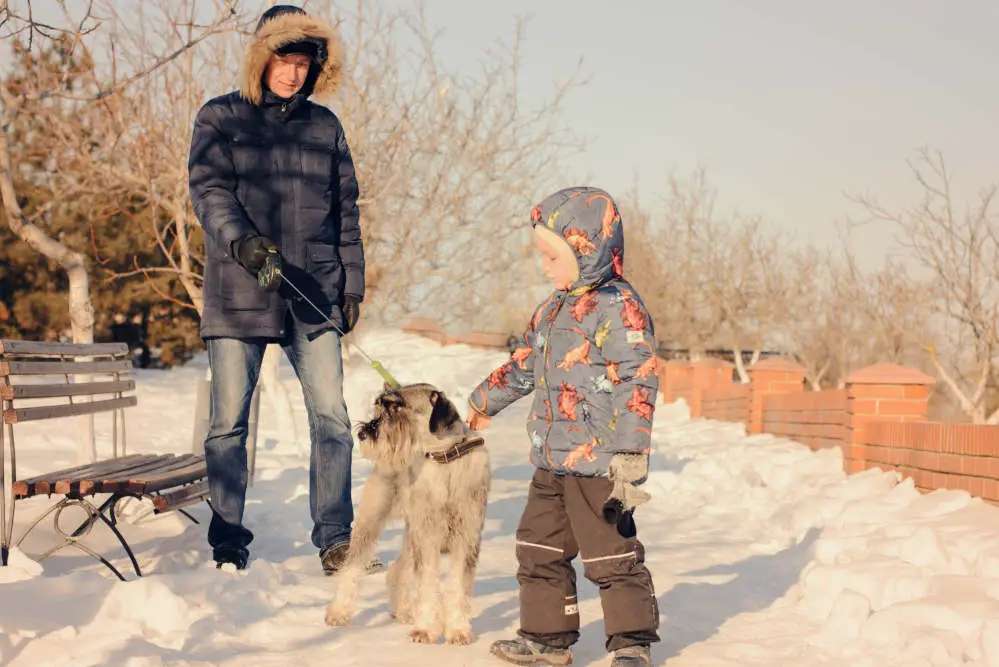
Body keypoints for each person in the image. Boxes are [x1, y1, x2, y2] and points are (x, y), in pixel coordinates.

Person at [188, 4, 365, 574]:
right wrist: (243, 242)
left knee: (333, 420)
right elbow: (210, 190)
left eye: (303, 64)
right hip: (243, 286)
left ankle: (336, 537)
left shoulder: (325, 127)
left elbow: (346, 214)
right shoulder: (221, 118)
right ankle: (228, 537)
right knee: (227, 426)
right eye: (284, 60)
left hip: (313, 293)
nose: (293, 73)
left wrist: (351, 285)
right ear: (261, 58)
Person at [467, 187, 661, 667]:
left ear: (587, 248)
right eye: (542, 256)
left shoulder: (620, 307)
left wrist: (630, 454)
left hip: (599, 462)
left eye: (553, 256)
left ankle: (631, 641)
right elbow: (526, 364)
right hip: (551, 460)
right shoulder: (552, 310)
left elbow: (638, 378)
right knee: (537, 547)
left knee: (610, 554)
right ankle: (547, 638)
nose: (545, 266)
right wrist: (484, 401)